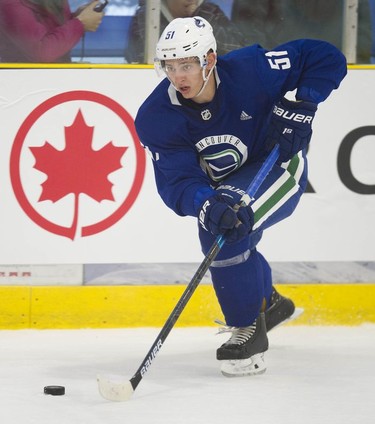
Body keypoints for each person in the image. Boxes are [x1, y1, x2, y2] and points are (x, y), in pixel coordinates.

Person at [134, 16, 347, 376]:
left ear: (210, 60)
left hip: (279, 166)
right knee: (223, 221)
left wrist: (305, 104)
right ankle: (268, 304)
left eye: (187, 64)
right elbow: (177, 182)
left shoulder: (252, 69)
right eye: (170, 66)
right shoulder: (156, 116)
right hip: (223, 186)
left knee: (222, 233)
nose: (178, 76)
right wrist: (204, 203)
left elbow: (323, 56)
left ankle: (247, 331)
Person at [231, 0, 371, 63]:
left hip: (337, 70)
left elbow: (363, 45)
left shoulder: (353, 4)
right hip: (276, 72)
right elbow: (246, 36)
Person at [125, 0, 247, 63]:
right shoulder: (148, 16)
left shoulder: (210, 12)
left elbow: (239, 50)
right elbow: (135, 58)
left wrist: (202, 22)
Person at [0, 0, 104, 63]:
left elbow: (55, 34)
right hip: (23, 84)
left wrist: (78, 17)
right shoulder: (11, 3)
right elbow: (42, 52)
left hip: (55, 77)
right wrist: (80, 24)